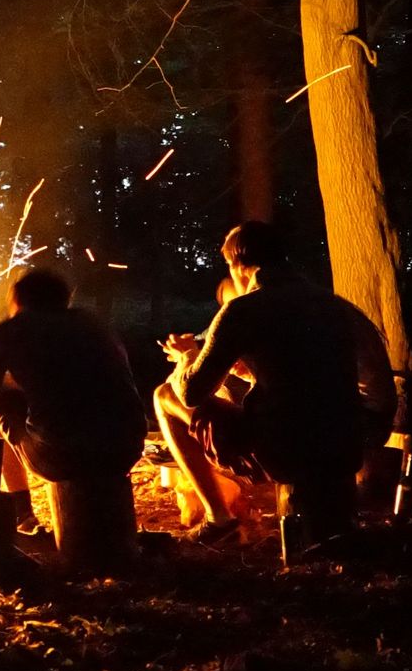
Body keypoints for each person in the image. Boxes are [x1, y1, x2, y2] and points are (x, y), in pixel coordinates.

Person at [154, 221, 397, 548]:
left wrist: (187, 358)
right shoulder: (337, 307)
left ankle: (219, 519)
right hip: (348, 445)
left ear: (237, 265)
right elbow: (366, 386)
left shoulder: (242, 310)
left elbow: (192, 392)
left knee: (165, 395)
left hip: (282, 451)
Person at [0, 268, 147, 576]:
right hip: (126, 448)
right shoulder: (94, 325)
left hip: (64, 456)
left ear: (17, 300)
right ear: (65, 298)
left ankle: (18, 515)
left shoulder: (10, 331)